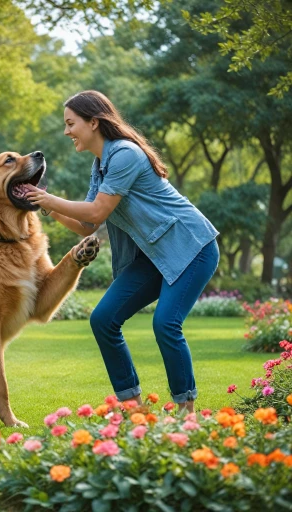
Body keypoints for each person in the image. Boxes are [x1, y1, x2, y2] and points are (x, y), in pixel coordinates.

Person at [26, 90, 219, 413]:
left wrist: (48, 200)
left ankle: (187, 412)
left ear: (94, 122)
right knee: (103, 319)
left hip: (191, 246)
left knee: (166, 323)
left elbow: (98, 211)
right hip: (153, 256)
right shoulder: (100, 164)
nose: (66, 131)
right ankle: (134, 410)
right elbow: (87, 225)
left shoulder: (125, 154)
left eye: (71, 123)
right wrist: (50, 207)